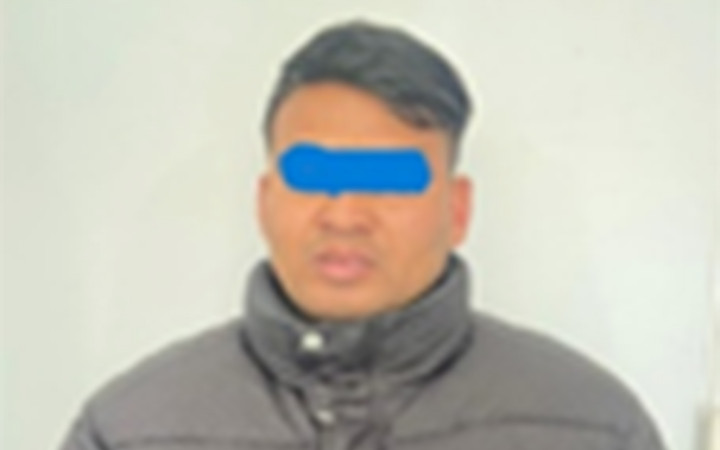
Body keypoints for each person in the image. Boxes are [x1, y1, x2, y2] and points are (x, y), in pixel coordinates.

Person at [60, 20, 666, 450]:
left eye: (390, 181)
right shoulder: (130, 430)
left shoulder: (592, 428)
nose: (345, 216)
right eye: (312, 176)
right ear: (265, 202)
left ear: (457, 210)